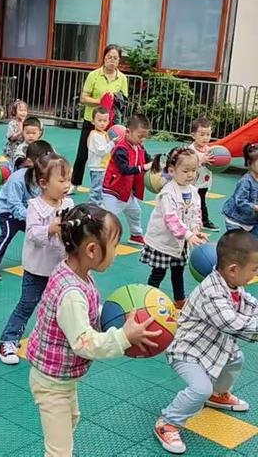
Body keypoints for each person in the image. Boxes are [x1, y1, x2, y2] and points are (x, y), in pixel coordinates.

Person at [27, 203, 161, 457]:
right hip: (51, 382)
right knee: (59, 450)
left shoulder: (75, 272)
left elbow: (88, 313)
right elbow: (84, 343)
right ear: (91, 249)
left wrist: (115, 319)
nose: (117, 254)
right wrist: (124, 337)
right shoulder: (72, 294)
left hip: (62, 377)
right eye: (114, 247)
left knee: (72, 419)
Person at [154, 230, 258, 454]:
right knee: (200, 388)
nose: (255, 274)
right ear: (233, 270)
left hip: (212, 345)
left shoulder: (232, 284)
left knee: (235, 358)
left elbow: (249, 304)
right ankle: (168, 422)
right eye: (254, 270)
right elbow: (232, 324)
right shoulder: (212, 292)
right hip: (187, 351)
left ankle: (218, 394)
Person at [0, 153, 73, 364]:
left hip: (61, 268)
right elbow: (32, 234)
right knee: (27, 304)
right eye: (61, 180)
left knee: (61, 306)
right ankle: (8, 340)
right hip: (38, 268)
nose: (67, 185)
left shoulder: (68, 202)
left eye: (68, 179)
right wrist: (50, 229)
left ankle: (55, 341)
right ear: (43, 183)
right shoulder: (35, 206)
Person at [141, 148, 207, 309]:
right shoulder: (168, 193)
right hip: (163, 242)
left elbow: (194, 213)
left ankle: (179, 301)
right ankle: (147, 301)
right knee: (158, 273)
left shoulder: (193, 191)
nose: (190, 174)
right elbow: (171, 220)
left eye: (194, 170)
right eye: (185, 171)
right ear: (172, 170)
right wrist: (189, 235)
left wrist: (196, 230)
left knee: (178, 272)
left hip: (180, 243)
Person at [0, 140, 53, 281]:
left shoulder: (44, 178)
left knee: (42, 232)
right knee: (7, 234)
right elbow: (14, 204)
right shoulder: (18, 178)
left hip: (26, 212)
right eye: (43, 162)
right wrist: (32, 216)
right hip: (8, 211)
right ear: (29, 162)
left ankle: (43, 263)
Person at [70, 44, 128, 193]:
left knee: (111, 155)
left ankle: (110, 184)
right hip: (91, 120)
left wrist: (115, 99)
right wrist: (100, 101)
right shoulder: (94, 75)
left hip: (111, 123)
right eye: (109, 57)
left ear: (119, 60)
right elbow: (83, 98)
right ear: (104, 58)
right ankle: (74, 183)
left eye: (115, 58)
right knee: (83, 153)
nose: (112, 61)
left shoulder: (122, 78)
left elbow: (125, 99)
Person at [102, 114, 152, 246]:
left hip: (127, 191)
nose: (142, 140)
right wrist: (143, 168)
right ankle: (102, 237)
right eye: (140, 136)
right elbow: (124, 169)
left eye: (144, 137)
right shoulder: (121, 149)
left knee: (135, 212)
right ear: (128, 132)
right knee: (109, 217)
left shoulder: (139, 147)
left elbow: (149, 159)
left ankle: (136, 235)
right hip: (113, 190)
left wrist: (158, 164)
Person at [188, 117, 219, 232]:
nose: (205, 138)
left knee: (201, 202)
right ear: (193, 135)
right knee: (191, 203)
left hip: (204, 183)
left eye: (208, 134)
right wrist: (201, 161)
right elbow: (188, 166)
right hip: (192, 183)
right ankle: (192, 221)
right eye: (201, 134)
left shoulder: (210, 150)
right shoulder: (190, 150)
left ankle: (203, 221)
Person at [222, 143, 258, 235]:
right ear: (250, 163)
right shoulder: (246, 181)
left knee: (252, 245)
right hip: (236, 220)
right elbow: (240, 201)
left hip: (251, 220)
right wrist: (255, 207)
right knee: (237, 244)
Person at [87, 106, 116, 206]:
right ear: (93, 121)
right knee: (96, 191)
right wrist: (112, 143)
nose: (102, 123)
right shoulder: (95, 135)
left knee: (102, 191)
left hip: (103, 167)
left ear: (108, 122)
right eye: (99, 120)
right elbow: (101, 150)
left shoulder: (104, 134)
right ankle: (92, 210)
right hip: (97, 168)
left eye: (105, 121)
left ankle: (98, 209)